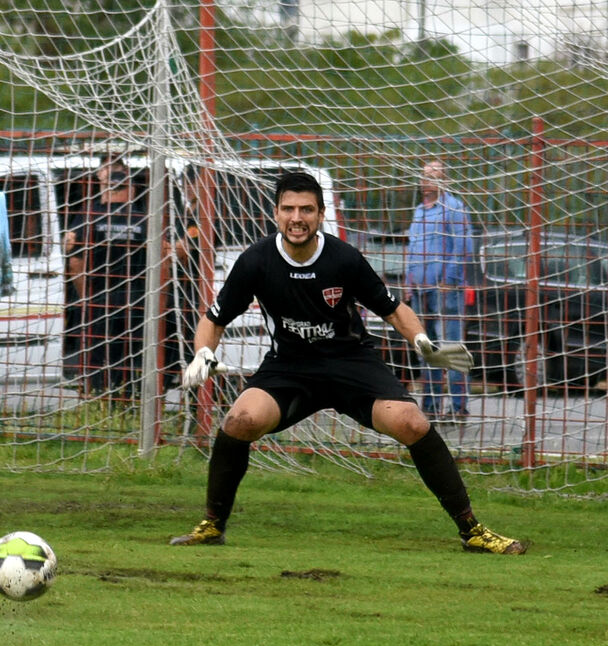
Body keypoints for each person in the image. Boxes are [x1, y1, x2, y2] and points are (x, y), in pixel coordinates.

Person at [171, 171, 526, 555]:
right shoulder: (256, 260)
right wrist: (204, 353)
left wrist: (423, 342)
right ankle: (212, 525)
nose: (297, 217)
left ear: (320, 214)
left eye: (306, 209)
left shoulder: (343, 258)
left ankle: (472, 530)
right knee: (239, 421)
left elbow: (393, 309)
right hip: (289, 368)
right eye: (288, 209)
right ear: (275, 213)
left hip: (350, 363)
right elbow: (213, 320)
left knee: (412, 423)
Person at [63, 156, 148, 398]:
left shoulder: (90, 215)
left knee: (99, 352)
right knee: (131, 355)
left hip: (100, 299)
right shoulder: (142, 219)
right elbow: (161, 259)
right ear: (130, 188)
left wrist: (84, 296)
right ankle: (130, 400)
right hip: (136, 300)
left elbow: (76, 259)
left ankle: (99, 398)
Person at [406, 160, 474, 420]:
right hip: (421, 290)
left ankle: (458, 409)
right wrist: (411, 283)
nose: (428, 180)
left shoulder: (454, 208)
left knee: (451, 349)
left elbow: (464, 246)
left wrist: (451, 280)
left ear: (444, 180)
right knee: (427, 349)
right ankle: (432, 407)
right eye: (425, 175)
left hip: (445, 290)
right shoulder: (419, 211)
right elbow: (413, 248)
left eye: (434, 176)